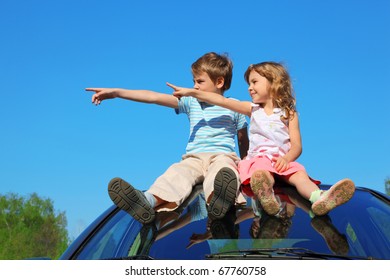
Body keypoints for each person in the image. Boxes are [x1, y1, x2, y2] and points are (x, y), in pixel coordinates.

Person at [169, 61, 355, 217]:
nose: (250, 88)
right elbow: (224, 102)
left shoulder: (289, 114)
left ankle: (320, 198)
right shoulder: (252, 110)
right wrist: (192, 92)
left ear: (273, 82)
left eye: (254, 82)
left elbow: (297, 146)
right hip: (259, 161)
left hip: (282, 162)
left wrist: (287, 159)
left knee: (300, 176)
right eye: (249, 83)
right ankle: (266, 197)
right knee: (261, 175)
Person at [86, 52, 249, 224]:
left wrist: (246, 168)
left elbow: (242, 139)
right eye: (193, 81)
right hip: (194, 158)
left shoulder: (234, 106)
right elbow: (153, 97)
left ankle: (219, 200)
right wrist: (117, 92)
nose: (195, 86)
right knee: (177, 174)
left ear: (219, 82)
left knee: (223, 172)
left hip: (221, 156)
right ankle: (147, 201)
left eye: (200, 81)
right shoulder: (191, 102)